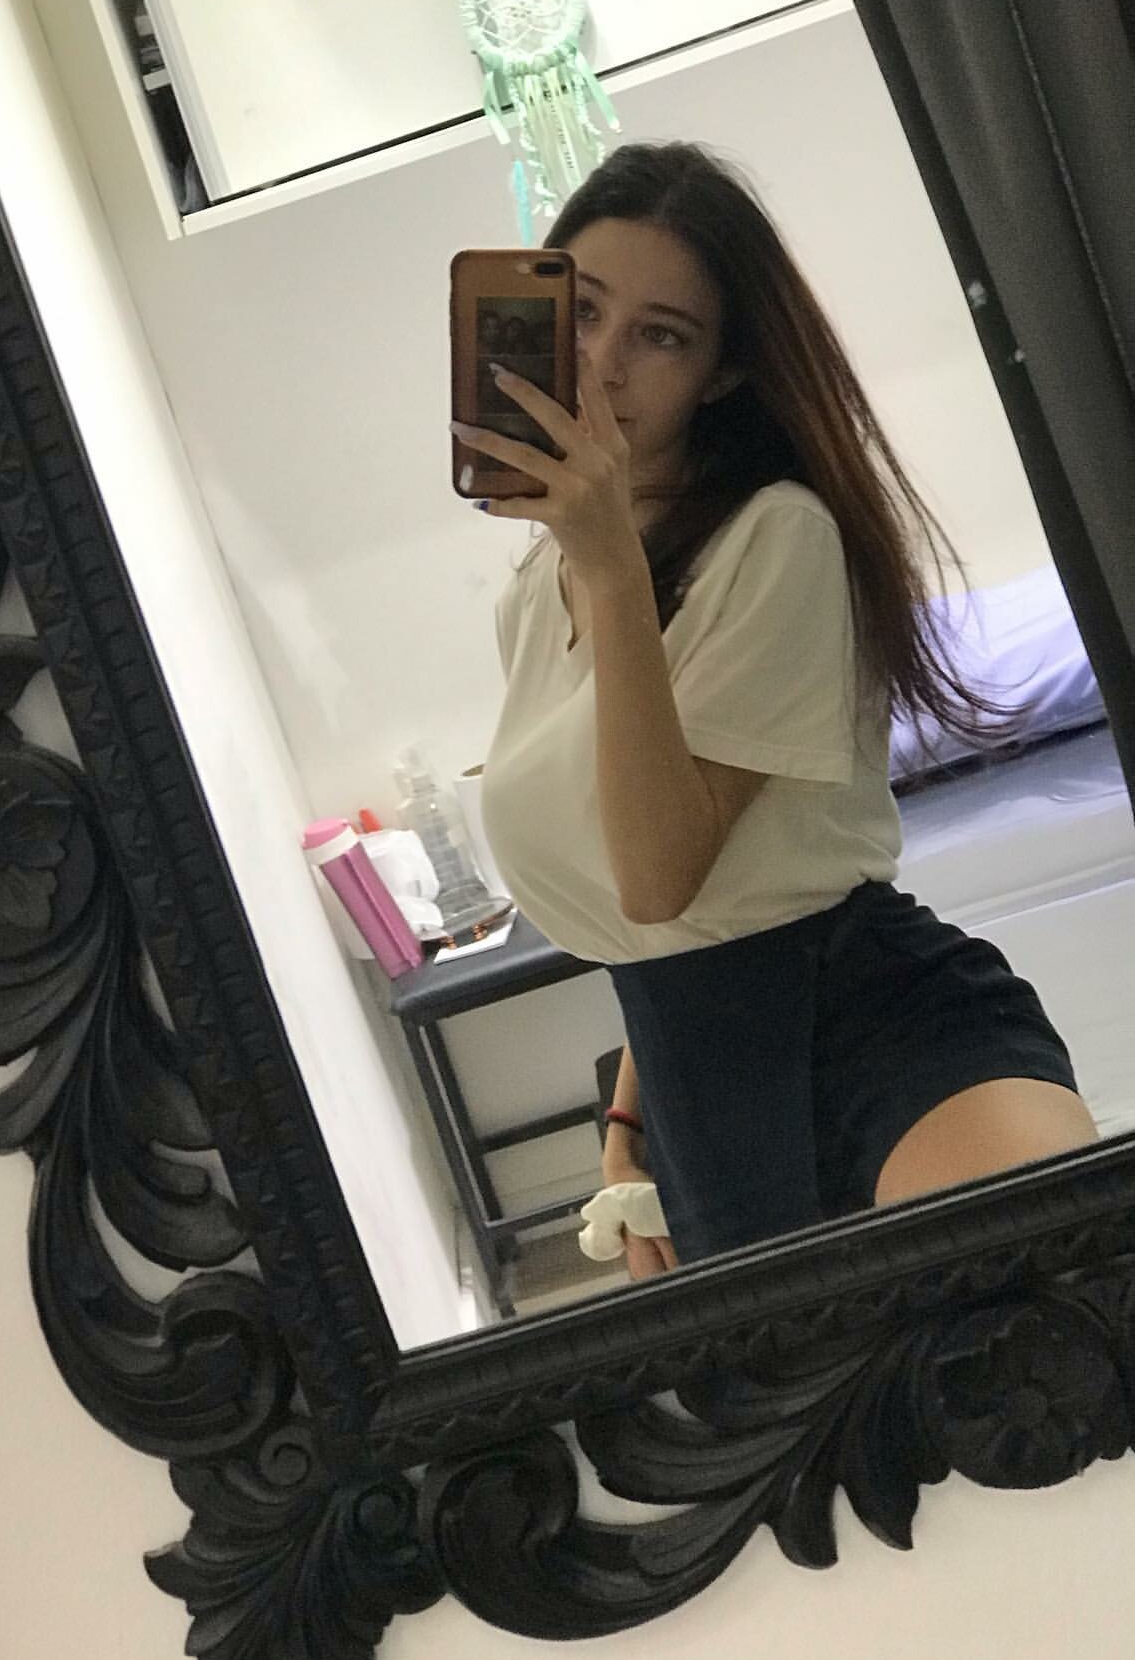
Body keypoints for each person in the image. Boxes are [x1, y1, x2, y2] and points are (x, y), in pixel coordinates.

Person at [456, 142, 1099, 1280]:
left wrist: (610, 569)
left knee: (1041, 1338)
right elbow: (656, 930)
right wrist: (626, 1130)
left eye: (661, 335)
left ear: (722, 374)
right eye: (584, 312)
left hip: (887, 1039)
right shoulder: (534, 589)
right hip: (691, 1106)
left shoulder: (777, 535)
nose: (603, 363)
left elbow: (664, 877)